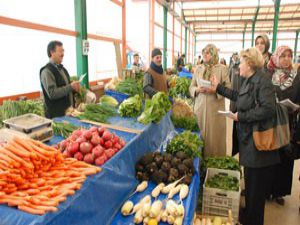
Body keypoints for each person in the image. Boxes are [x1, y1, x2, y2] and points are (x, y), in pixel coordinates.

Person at [210, 47, 280, 225]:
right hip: (248, 141)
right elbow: (237, 96)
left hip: (259, 144)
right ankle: (248, 215)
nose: (238, 65)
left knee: (256, 188)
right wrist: (218, 87)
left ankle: (253, 219)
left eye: (241, 61)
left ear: (249, 63)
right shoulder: (249, 80)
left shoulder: (263, 81)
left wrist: (241, 117)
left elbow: (268, 109)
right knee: (250, 182)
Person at [266, 46, 300, 205]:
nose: (286, 59)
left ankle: (279, 191)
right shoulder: (270, 75)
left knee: (284, 157)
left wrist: (296, 106)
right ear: (277, 57)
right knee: (270, 155)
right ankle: (267, 189)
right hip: (272, 121)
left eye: (289, 56)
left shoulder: (297, 76)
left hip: (288, 123)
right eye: (283, 56)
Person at [189, 44, 230, 157]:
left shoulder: (222, 69)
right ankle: (200, 164)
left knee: (214, 139)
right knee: (200, 137)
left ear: (213, 54)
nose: (205, 55)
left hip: (215, 110)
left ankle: (214, 162)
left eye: (207, 53)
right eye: (204, 53)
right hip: (200, 109)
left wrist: (216, 90)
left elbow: (229, 88)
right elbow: (191, 87)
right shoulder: (199, 68)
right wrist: (197, 89)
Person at [40, 40, 80, 119]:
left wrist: (75, 89)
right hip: (57, 117)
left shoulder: (63, 69)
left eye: (63, 51)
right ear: (52, 52)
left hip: (68, 114)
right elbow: (52, 93)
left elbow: (65, 87)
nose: (63, 54)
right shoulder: (47, 71)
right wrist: (70, 87)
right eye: (60, 51)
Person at [229, 52, 243, 156]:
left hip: (242, 99)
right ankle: (235, 149)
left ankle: (241, 150)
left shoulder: (243, 67)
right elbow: (229, 80)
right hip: (234, 99)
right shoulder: (232, 67)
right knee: (235, 126)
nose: (235, 58)